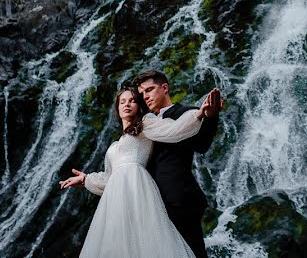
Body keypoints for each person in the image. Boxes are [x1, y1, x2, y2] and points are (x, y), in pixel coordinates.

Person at [58, 85, 220, 258]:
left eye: (132, 100)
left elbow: (172, 129)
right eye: (122, 101)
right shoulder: (113, 146)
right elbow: (109, 178)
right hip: (116, 199)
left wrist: (199, 114)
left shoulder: (145, 125)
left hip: (139, 191)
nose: (127, 104)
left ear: (139, 106)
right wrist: (85, 180)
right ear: (117, 108)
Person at [133, 70, 222, 258]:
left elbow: (202, 144)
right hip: (150, 202)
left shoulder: (187, 113)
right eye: (142, 94)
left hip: (179, 197)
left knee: (192, 252)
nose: (146, 96)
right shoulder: (143, 123)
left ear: (165, 88)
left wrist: (211, 117)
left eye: (149, 90)